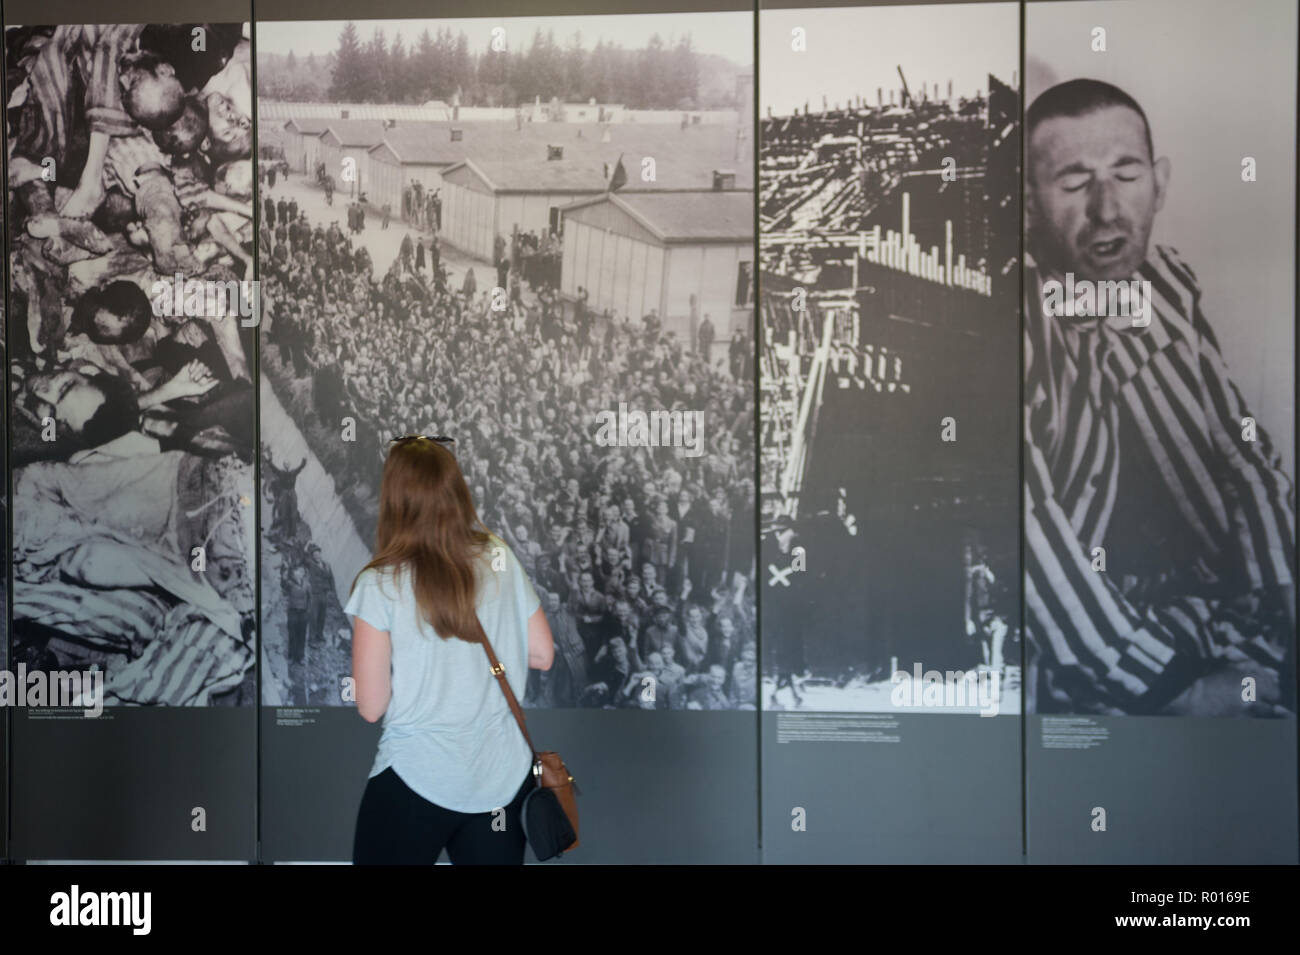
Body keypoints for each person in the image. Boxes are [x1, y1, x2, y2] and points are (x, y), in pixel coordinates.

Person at [1023, 79, 1296, 716]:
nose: (1107, 209)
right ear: (1029, 205)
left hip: (1198, 612)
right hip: (1080, 648)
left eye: (1127, 174)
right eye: (1073, 183)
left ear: (1160, 183)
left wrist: (1286, 589)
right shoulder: (1008, 327)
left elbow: (1240, 445)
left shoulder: (1169, 281)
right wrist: (1180, 690)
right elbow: (1030, 531)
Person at [348, 435, 555, 865]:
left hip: (415, 778)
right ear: (455, 491)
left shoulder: (380, 582)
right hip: (500, 785)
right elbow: (543, 654)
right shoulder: (499, 558)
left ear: (395, 498)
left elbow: (371, 706)